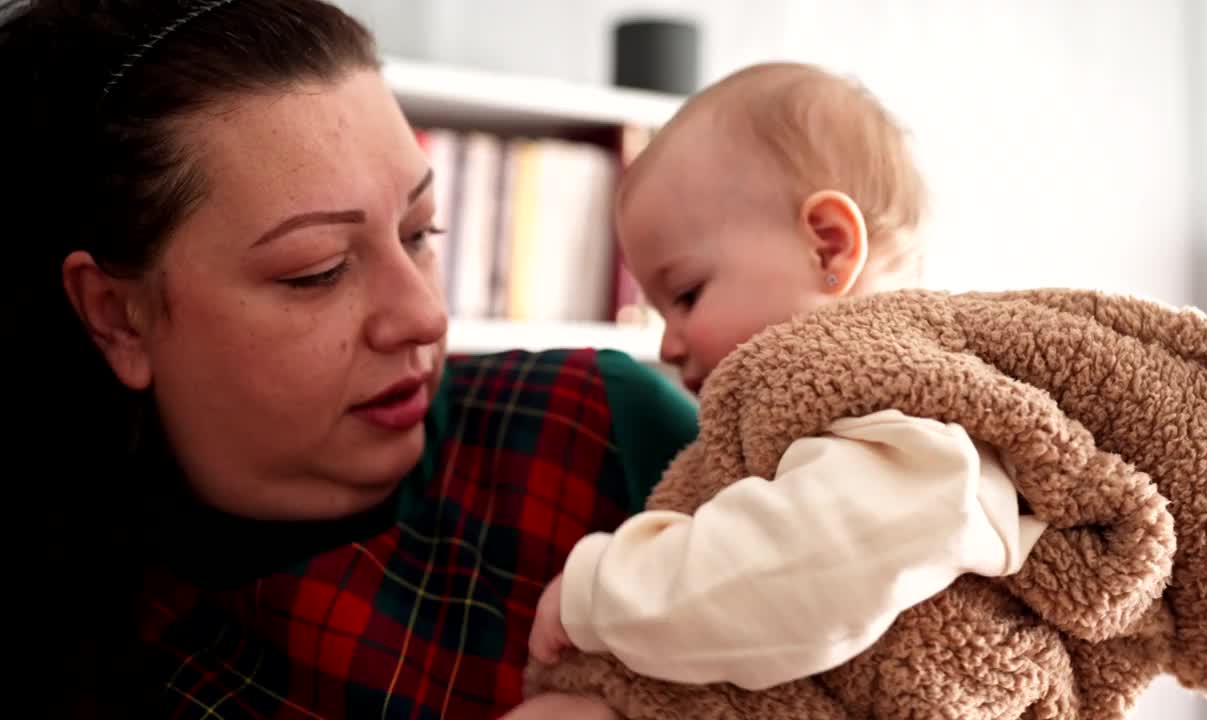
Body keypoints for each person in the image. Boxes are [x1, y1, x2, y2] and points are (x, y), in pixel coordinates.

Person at [2, 1, 695, 718]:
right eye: (318, 270)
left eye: (422, 231)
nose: (424, 316)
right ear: (117, 316)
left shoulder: (599, 429)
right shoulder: (87, 653)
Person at [529, 62, 1049, 691]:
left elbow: (792, 577)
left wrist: (600, 593)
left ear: (828, 248)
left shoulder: (905, 408)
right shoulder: (804, 405)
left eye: (687, 294)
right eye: (658, 308)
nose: (666, 342)